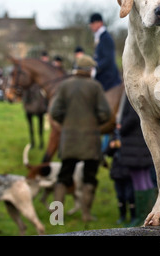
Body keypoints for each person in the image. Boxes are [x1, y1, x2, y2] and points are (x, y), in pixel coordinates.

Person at [50, 54, 111, 222]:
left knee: (63, 177)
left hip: (69, 140)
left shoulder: (64, 86)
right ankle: (86, 215)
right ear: (90, 70)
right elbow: (106, 113)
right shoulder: (95, 87)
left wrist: (67, 122)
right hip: (90, 141)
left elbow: (55, 111)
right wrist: (94, 121)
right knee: (89, 178)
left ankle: (56, 217)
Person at [115, 93, 156, 227]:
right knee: (145, 179)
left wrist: (122, 128)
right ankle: (150, 213)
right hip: (143, 140)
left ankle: (141, 216)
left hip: (133, 142)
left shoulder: (132, 91)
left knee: (139, 180)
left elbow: (133, 116)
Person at [89, 13, 122, 91]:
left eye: (92, 23)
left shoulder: (106, 38)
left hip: (108, 78)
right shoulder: (99, 37)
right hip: (102, 75)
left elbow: (108, 58)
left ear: (100, 23)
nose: (91, 26)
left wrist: (96, 68)